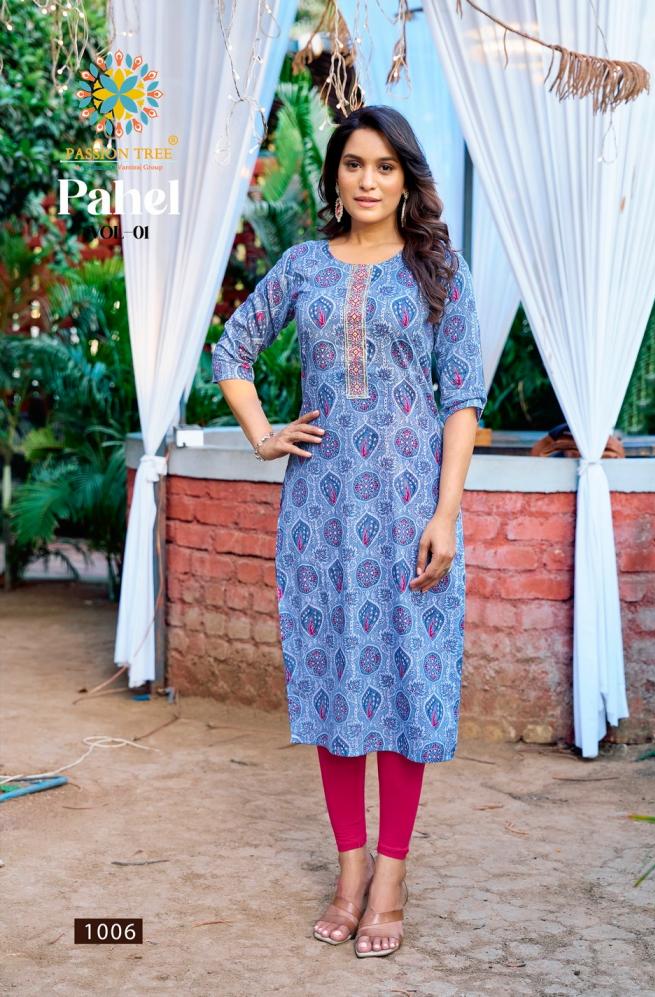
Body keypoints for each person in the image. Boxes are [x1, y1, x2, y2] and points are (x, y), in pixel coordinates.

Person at [211, 105, 485, 958]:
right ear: (334, 174)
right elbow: (231, 351)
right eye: (354, 164)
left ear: (405, 180)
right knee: (335, 683)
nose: (368, 180)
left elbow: (462, 396)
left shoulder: (437, 269)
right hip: (322, 516)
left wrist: (445, 514)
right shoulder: (302, 265)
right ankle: (349, 871)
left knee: (405, 684)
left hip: (408, 512)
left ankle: (391, 877)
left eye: (385, 167)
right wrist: (263, 434)